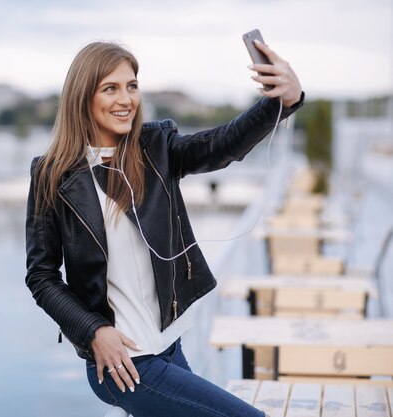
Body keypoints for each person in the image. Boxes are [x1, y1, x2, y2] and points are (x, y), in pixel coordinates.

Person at [25, 40, 303, 417]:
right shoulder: (51, 175)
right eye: (111, 88)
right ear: (82, 97)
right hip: (124, 364)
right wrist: (93, 331)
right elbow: (41, 276)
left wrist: (280, 103)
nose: (126, 99)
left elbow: (219, 145)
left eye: (132, 86)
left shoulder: (154, 148)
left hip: (170, 346)